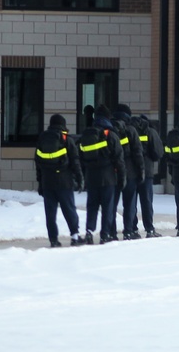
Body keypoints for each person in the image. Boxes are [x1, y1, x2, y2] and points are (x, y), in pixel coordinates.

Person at [35, 114, 84, 247]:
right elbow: (75, 161)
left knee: (50, 213)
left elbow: (38, 162)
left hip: (47, 182)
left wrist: (40, 182)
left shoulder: (43, 139)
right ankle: (74, 236)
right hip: (64, 181)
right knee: (69, 209)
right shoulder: (66, 139)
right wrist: (79, 178)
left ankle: (53, 239)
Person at [78, 105, 125, 244]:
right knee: (107, 207)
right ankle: (105, 234)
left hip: (91, 178)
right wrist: (122, 178)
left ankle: (89, 232)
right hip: (108, 178)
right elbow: (119, 159)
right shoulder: (110, 135)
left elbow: (81, 157)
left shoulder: (87, 134)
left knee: (92, 207)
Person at [112, 105, 146, 239]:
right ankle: (128, 231)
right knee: (129, 204)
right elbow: (138, 153)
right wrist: (141, 170)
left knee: (112, 205)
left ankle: (111, 232)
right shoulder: (131, 130)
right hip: (130, 173)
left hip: (113, 173)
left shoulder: (109, 130)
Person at [131, 113, 163, 237]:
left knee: (131, 203)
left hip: (131, 172)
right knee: (147, 201)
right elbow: (158, 152)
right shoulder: (150, 131)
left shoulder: (129, 130)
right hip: (147, 171)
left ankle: (133, 229)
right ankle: (149, 229)